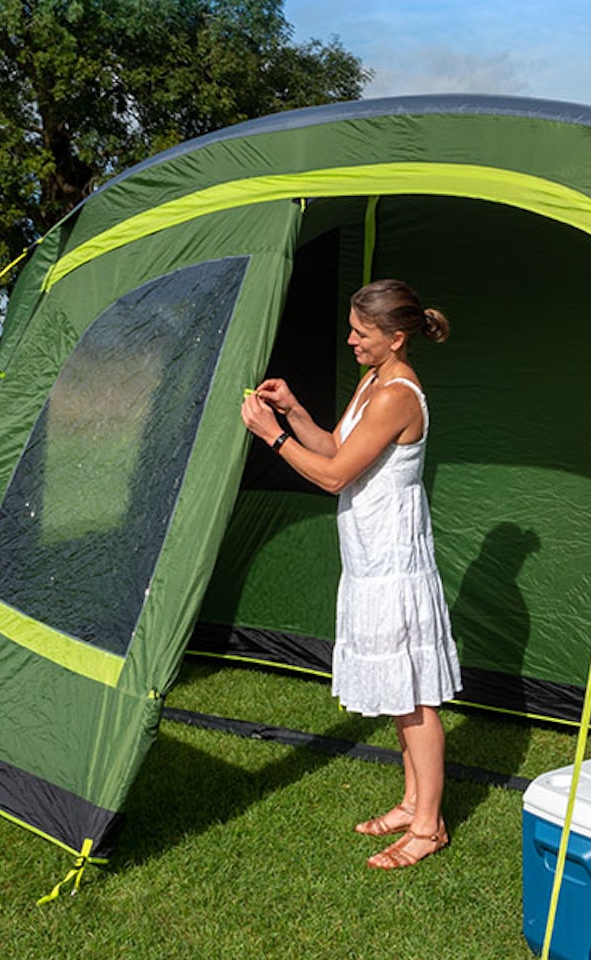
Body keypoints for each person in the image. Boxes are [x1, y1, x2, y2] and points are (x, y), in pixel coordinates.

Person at [240, 279, 462, 869]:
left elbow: (333, 477)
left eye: (361, 334)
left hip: (394, 556)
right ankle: (414, 801)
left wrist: (272, 436)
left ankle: (429, 827)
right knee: (398, 687)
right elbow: (338, 447)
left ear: (395, 337)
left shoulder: (398, 394)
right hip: (369, 555)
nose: (350, 341)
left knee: (414, 696)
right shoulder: (373, 381)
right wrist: (294, 413)